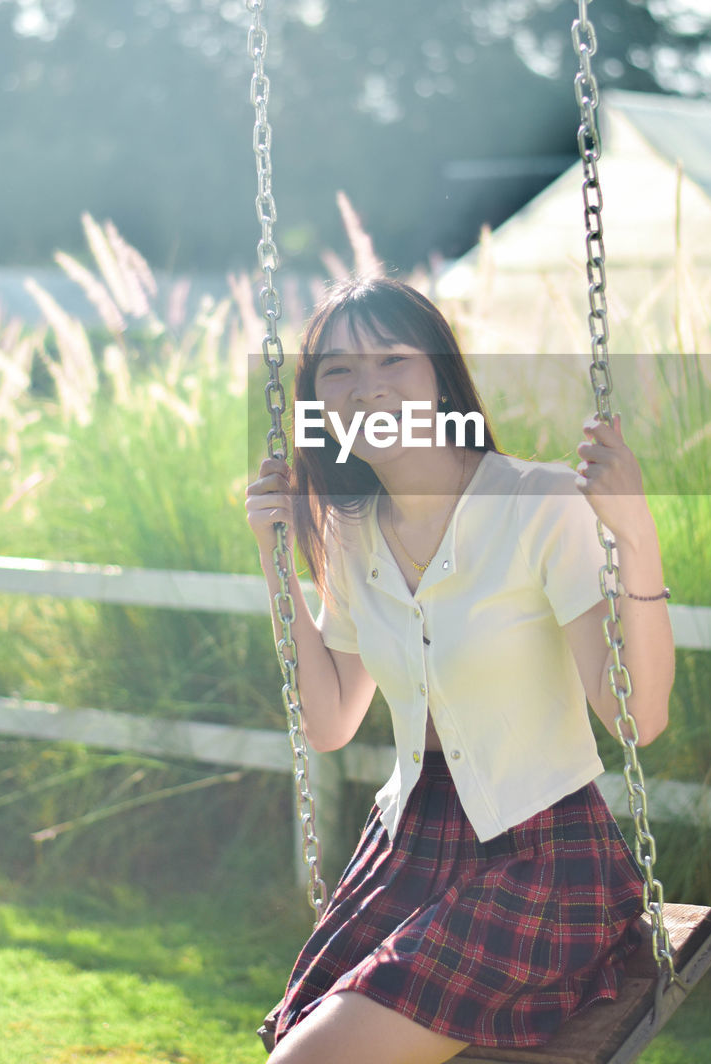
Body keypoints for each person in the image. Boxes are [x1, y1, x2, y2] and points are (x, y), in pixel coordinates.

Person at [245, 277, 674, 1064]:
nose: (366, 387)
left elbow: (635, 719)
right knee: (300, 1037)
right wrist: (279, 564)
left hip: (539, 858)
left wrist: (634, 535)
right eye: (336, 372)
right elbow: (331, 721)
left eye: (392, 359)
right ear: (315, 402)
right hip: (408, 846)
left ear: (439, 375)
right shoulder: (351, 532)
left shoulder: (540, 502)